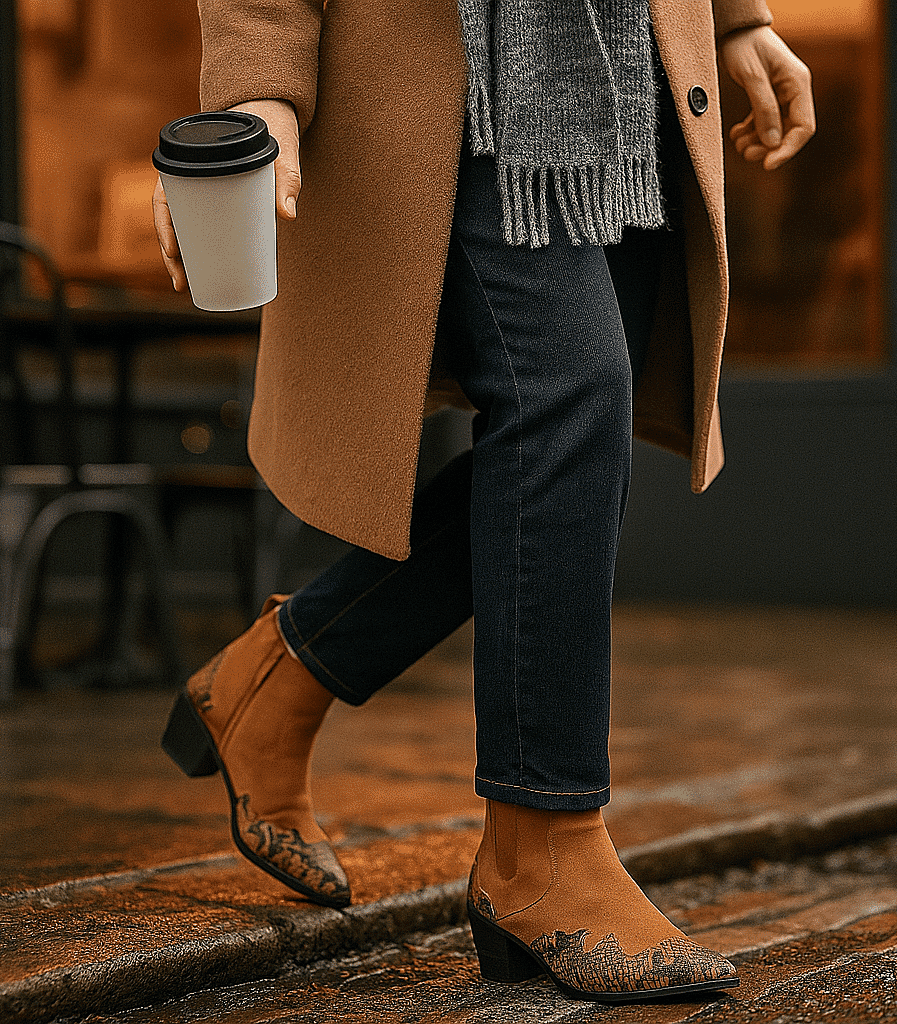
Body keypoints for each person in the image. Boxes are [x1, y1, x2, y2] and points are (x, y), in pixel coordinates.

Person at [153, 0, 814, 1004]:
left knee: (566, 437)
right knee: (570, 398)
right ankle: (541, 846)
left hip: (618, 70)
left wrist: (733, 20)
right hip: (445, 66)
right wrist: (258, 82)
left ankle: (279, 679)